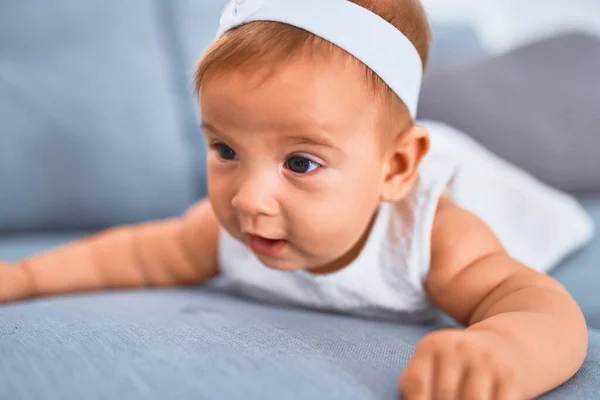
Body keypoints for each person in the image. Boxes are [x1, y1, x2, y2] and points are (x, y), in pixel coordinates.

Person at [0, 0, 589, 398]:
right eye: (226, 150)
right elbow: (126, 256)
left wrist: (504, 350)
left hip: (495, 191)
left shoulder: (432, 234)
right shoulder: (225, 228)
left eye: (300, 162)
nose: (249, 200)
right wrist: (21, 278)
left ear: (397, 167)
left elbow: (543, 309)